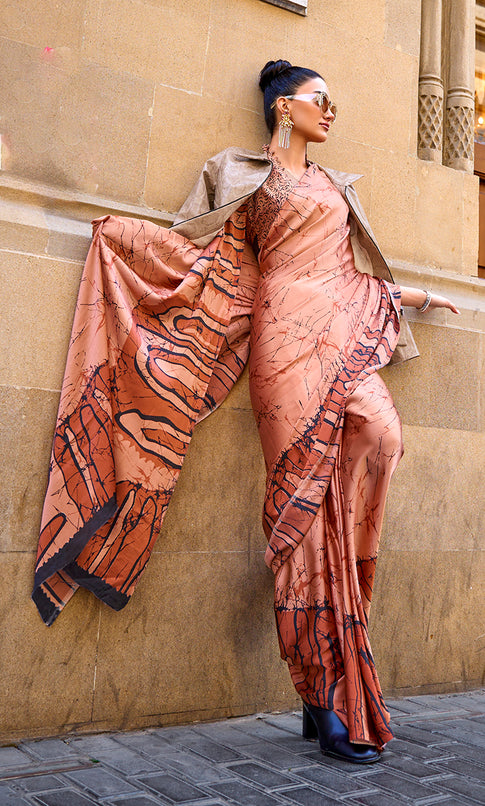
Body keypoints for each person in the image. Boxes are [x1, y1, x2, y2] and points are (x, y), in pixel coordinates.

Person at [32, 60, 460, 764]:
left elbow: (352, 273)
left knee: (381, 439)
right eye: (321, 99)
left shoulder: (333, 186)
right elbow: (194, 251)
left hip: (344, 333)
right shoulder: (240, 175)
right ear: (283, 108)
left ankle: (334, 642)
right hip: (281, 341)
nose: (332, 110)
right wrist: (120, 239)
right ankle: (319, 696)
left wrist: (413, 296)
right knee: (298, 502)